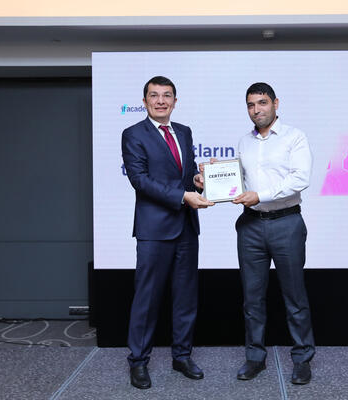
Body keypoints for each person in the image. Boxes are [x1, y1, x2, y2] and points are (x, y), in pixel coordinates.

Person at [121, 76, 213, 390]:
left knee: (186, 297)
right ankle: (138, 361)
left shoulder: (184, 132)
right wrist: (183, 196)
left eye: (167, 95)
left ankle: (182, 356)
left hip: (186, 226)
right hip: (154, 230)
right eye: (154, 95)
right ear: (145, 101)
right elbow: (140, 180)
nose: (161, 101)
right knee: (147, 298)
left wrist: (198, 180)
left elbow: (185, 174)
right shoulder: (133, 134)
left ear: (175, 101)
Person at [233, 82, 315, 384]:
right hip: (251, 225)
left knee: (294, 296)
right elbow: (241, 183)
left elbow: (300, 179)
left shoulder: (295, 137)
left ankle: (302, 359)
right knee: (252, 298)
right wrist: (211, 179)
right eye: (251, 104)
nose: (257, 110)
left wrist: (261, 195)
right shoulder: (244, 142)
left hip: (286, 224)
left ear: (275, 103)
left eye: (262, 103)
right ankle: (255, 358)